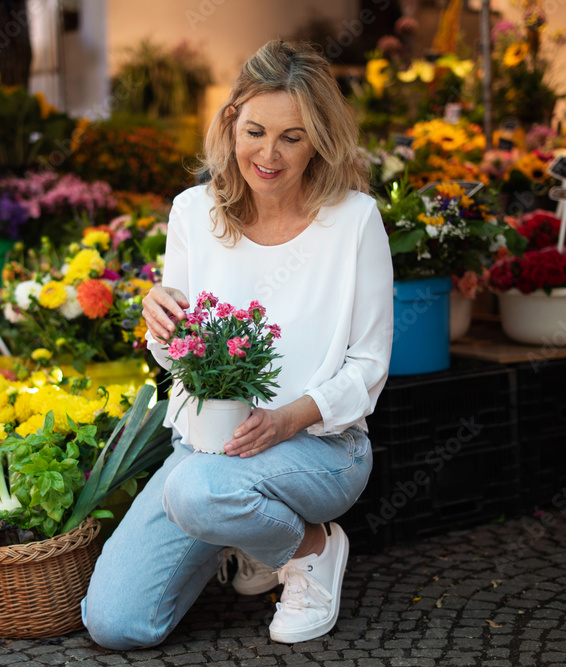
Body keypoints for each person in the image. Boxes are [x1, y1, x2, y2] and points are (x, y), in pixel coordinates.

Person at [82, 40, 393, 649]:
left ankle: (311, 549)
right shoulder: (193, 212)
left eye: (292, 138)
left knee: (197, 489)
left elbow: (369, 366)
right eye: (255, 130)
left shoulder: (354, 220)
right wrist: (161, 324)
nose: (268, 155)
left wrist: (285, 420)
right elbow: (182, 355)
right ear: (230, 123)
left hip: (321, 449)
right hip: (209, 448)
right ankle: (251, 537)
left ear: (320, 139)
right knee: (115, 624)